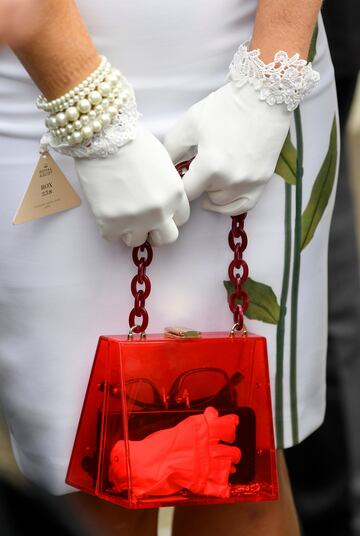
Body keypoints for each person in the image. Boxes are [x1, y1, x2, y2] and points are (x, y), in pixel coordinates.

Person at [0, 1, 338, 535]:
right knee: (86, 472)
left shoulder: (269, 76)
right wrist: (87, 108)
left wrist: (269, 83)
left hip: (259, 60)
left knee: (241, 465)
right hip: (36, 79)